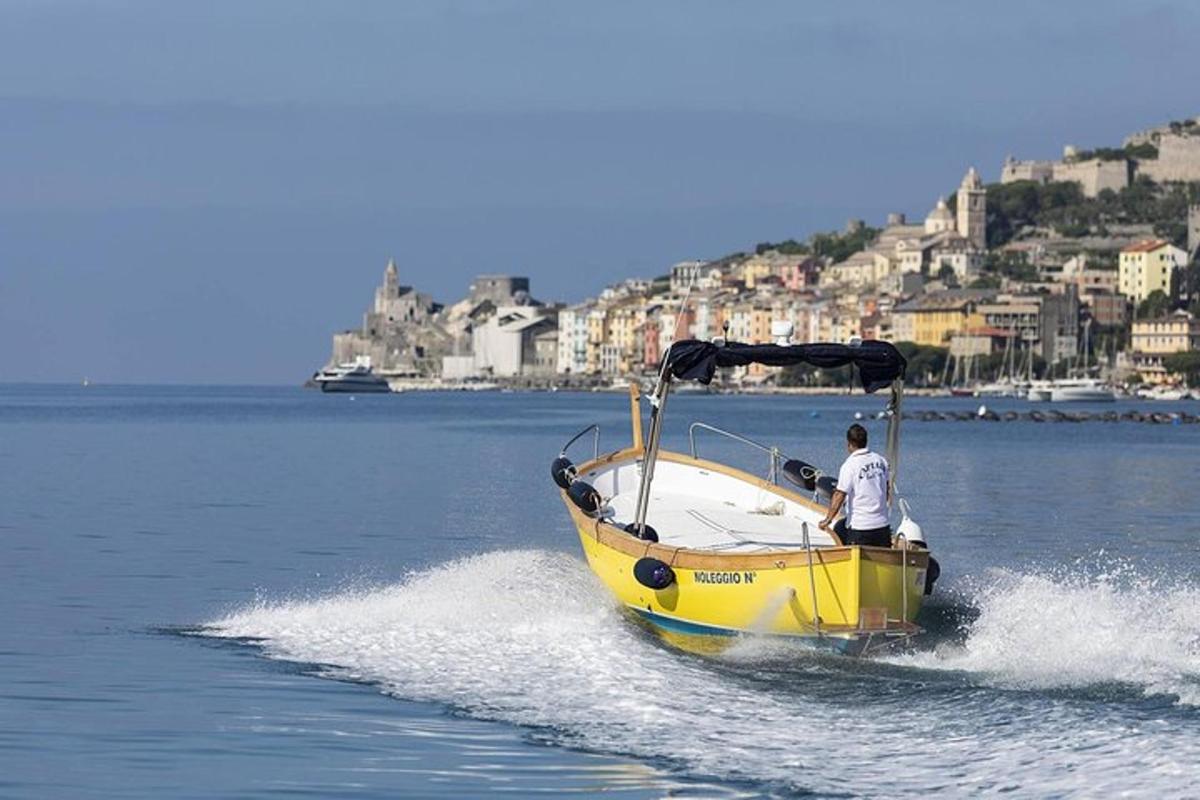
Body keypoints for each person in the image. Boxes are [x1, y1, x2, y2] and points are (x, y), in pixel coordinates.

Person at [818, 423, 892, 547]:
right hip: (882, 525)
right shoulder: (880, 460)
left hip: (861, 528)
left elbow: (839, 495)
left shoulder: (849, 465)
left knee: (840, 529)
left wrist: (827, 520)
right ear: (866, 441)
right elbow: (886, 490)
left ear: (849, 444)